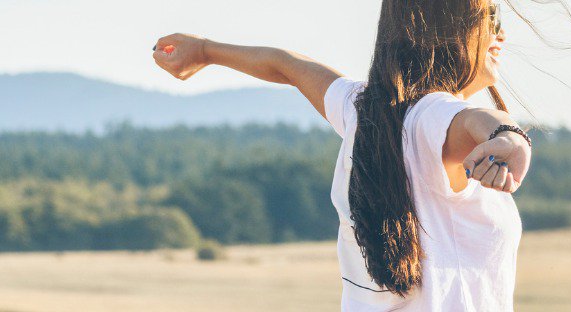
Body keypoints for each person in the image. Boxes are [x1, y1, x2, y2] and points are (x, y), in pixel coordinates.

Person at [151, 0, 533, 310]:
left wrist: (204, 50)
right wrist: (511, 140)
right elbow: (477, 120)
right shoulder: (435, 114)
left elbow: (289, 66)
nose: (499, 36)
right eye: (491, 20)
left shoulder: (364, 109)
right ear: (451, 33)